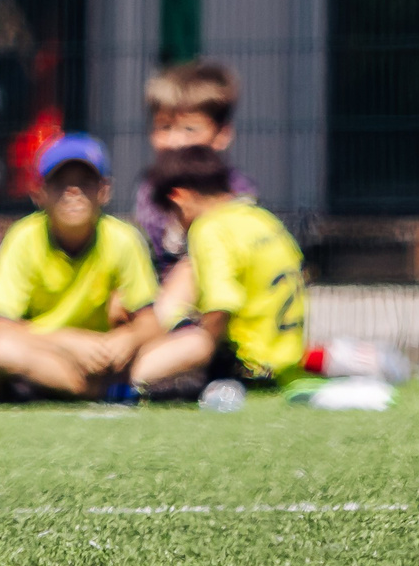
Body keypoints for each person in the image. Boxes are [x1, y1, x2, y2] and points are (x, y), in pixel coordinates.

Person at [0, 134, 160, 401]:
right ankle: (97, 391)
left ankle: (84, 388)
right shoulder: (23, 238)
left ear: (104, 190)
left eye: (85, 183)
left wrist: (128, 339)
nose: (73, 193)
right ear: (39, 192)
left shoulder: (123, 238)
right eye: (60, 184)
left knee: (192, 345)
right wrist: (69, 341)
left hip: (105, 356)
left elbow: (151, 325)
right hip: (44, 351)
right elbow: (0, 327)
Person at [127, 145, 306, 398]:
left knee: (194, 335)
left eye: (173, 215)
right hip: (285, 368)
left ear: (179, 198)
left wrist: (184, 339)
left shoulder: (210, 228)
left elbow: (221, 307)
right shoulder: (264, 220)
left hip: (247, 370)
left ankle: (125, 381)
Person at [132, 58, 256, 325]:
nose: (176, 141)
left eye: (190, 129)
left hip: (217, 303)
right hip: (155, 295)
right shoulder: (150, 188)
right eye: (165, 127)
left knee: (190, 267)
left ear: (222, 135)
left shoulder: (235, 192)